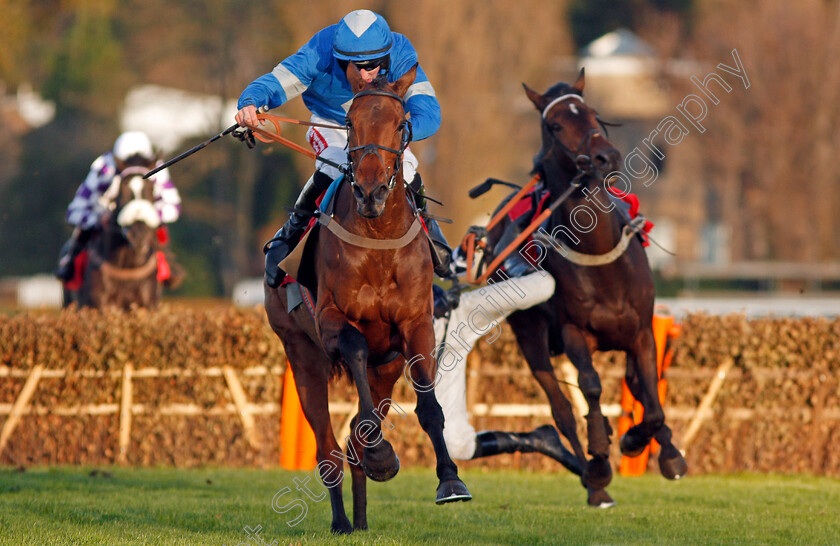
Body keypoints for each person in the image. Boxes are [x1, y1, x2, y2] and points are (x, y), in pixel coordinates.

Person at [234, 9, 452, 288]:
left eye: (372, 64)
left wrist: (402, 133)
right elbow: (276, 83)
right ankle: (288, 237)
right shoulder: (319, 51)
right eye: (353, 64)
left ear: (386, 56)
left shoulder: (400, 53)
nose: (363, 74)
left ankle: (431, 231)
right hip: (332, 125)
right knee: (335, 165)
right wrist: (250, 102)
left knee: (406, 168)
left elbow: (429, 113)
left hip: (382, 131)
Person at [430, 233, 580, 474]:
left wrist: (467, 254)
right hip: (439, 352)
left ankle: (513, 261)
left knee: (544, 284)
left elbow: (441, 265)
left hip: (458, 314)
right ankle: (538, 440)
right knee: (457, 445)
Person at [55, 131, 183, 285]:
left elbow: (173, 206)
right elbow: (74, 211)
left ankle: (169, 266)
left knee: (161, 232)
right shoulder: (103, 168)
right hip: (106, 221)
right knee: (81, 234)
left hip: (146, 224)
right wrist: (97, 218)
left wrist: (152, 215)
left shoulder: (157, 168)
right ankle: (69, 265)